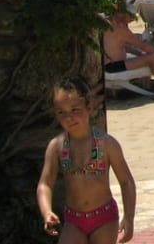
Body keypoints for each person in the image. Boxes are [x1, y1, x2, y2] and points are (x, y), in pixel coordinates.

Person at [36, 75, 136, 243]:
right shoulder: (57, 147)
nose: (69, 117)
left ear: (89, 106)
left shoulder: (106, 144)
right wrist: (46, 211)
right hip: (74, 220)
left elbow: (126, 182)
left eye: (75, 110)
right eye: (62, 112)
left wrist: (129, 218)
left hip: (104, 218)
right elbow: (45, 183)